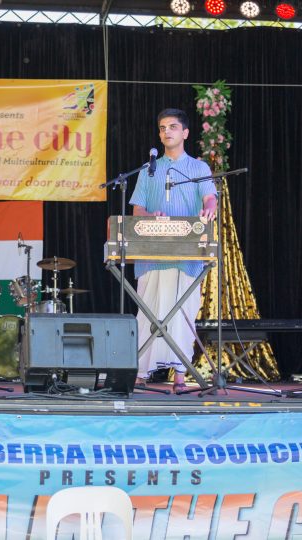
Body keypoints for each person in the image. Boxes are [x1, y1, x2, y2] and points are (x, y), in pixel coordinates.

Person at [129, 108, 217, 392]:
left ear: (185, 133)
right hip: (150, 253)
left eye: (173, 127)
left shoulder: (199, 168)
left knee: (182, 314)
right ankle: (140, 373)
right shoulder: (148, 169)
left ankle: (180, 374)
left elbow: (210, 199)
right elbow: (137, 209)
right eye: (163, 128)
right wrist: (148, 217)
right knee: (147, 312)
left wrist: (208, 210)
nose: (167, 132)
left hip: (186, 253)